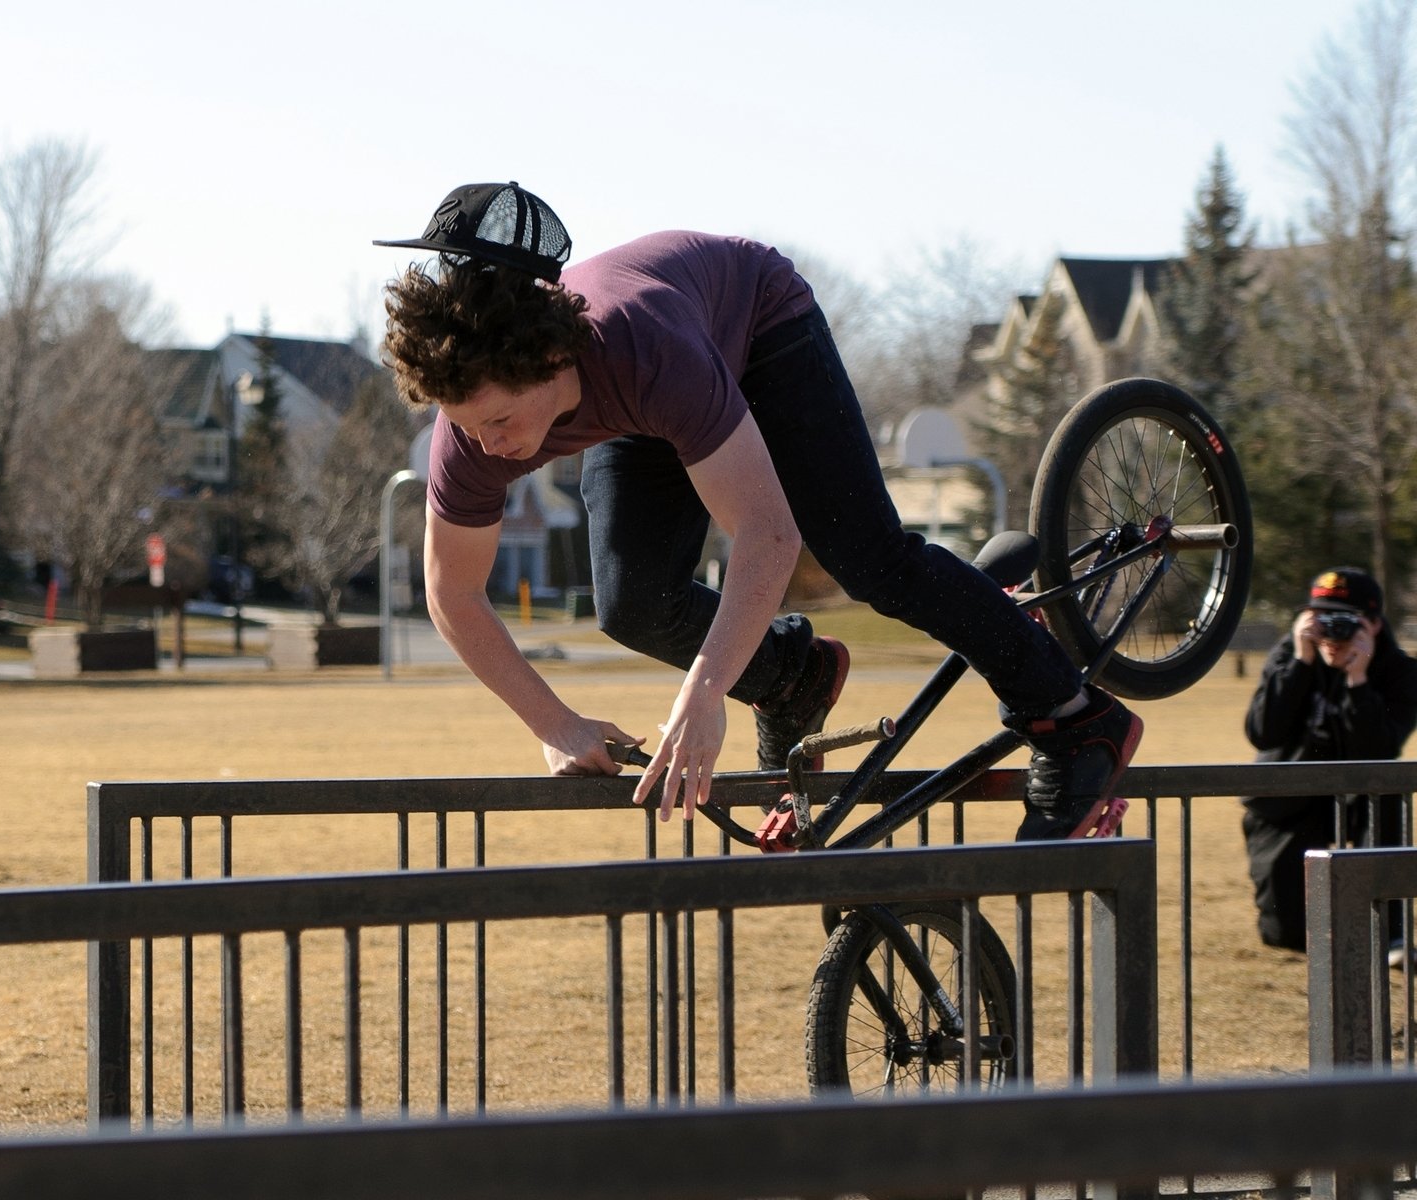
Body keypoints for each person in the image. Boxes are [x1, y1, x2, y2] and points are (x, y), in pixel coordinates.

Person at [373, 181, 1141, 837]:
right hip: (646, 404)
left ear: (549, 362)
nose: (490, 447)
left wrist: (705, 695)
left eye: (501, 423)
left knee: (867, 557)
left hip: (754, 327)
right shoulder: (470, 432)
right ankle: (792, 678)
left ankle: (1074, 715)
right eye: (469, 427)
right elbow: (454, 595)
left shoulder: (645, 349)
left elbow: (767, 534)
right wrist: (554, 723)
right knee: (632, 603)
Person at [1240, 567, 1417, 954]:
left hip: (1361, 800)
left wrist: (1359, 680)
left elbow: (1378, 752)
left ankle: (1390, 930)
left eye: (1344, 620)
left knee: (1389, 796)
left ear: (1372, 623)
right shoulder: (1292, 652)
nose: (1330, 633)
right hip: (1289, 801)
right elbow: (1262, 733)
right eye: (1321, 618)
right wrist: (1301, 664)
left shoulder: (1398, 670)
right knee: (1287, 935)